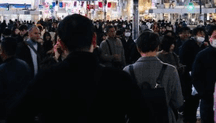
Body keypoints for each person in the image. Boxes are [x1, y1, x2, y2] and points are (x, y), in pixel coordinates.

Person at [7, 14, 148, 123]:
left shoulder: (47, 79)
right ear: (94, 39)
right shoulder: (119, 79)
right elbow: (144, 117)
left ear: (60, 44)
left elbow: (16, 116)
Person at [124, 31, 184, 123]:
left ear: (138, 48)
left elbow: (123, 104)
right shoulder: (170, 70)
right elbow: (178, 102)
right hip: (164, 118)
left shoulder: (128, 71)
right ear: (157, 47)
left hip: (136, 118)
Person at [192, 24, 216, 123]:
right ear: (210, 38)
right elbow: (196, 77)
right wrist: (205, 94)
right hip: (208, 101)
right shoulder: (202, 55)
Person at [179, 26, 208, 123]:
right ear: (195, 35)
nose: (202, 36)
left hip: (200, 78)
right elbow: (183, 60)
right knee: (190, 102)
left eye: (203, 34)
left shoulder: (203, 46)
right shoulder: (188, 45)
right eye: (200, 34)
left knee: (196, 101)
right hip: (188, 77)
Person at [0, 37, 31, 121]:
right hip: (23, 111)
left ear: (2, 51)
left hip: (7, 114)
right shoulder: (25, 65)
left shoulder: (2, 69)